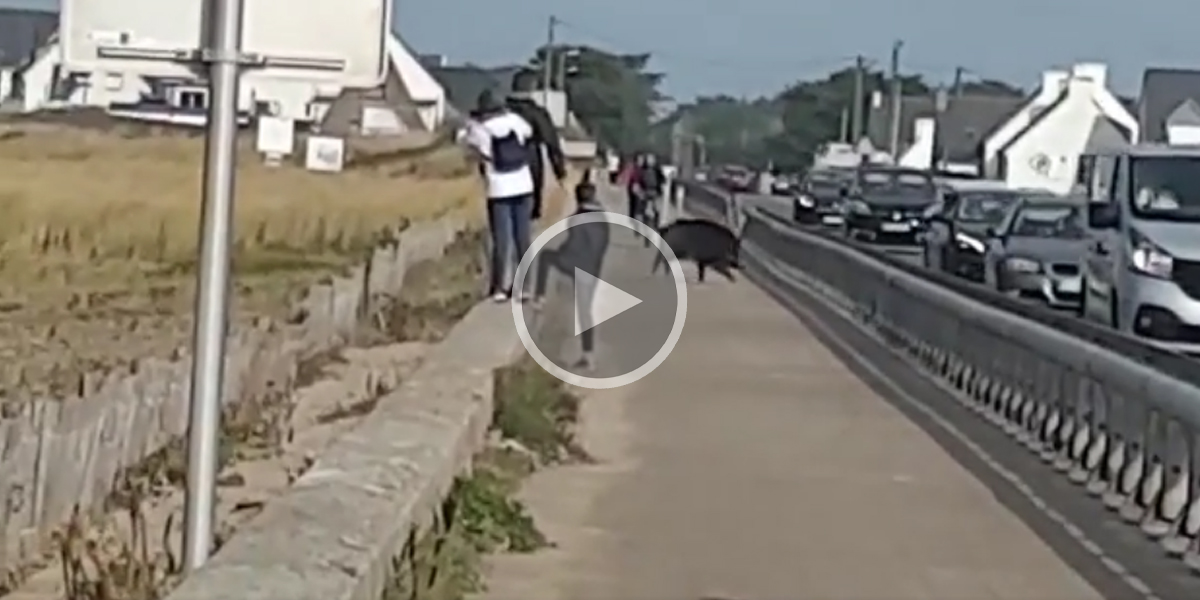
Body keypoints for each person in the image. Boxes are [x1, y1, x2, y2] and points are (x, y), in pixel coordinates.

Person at [465, 89, 537, 302]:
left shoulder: (481, 128)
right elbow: (529, 134)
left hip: (499, 188)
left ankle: (499, 288)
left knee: (501, 240)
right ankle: (524, 286)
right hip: (524, 185)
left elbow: (476, 148)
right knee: (523, 238)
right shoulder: (516, 120)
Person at [533, 171, 610, 370]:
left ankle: (539, 297)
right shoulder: (603, 219)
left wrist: (563, 255)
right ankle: (588, 355)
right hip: (594, 269)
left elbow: (573, 245)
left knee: (546, 257)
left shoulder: (577, 218)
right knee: (585, 313)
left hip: (576, 264)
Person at [505, 71, 568, 219]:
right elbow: (552, 143)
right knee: (528, 207)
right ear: (532, 89)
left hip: (501, 163)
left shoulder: (502, 110)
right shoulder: (537, 113)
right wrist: (560, 171)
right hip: (530, 158)